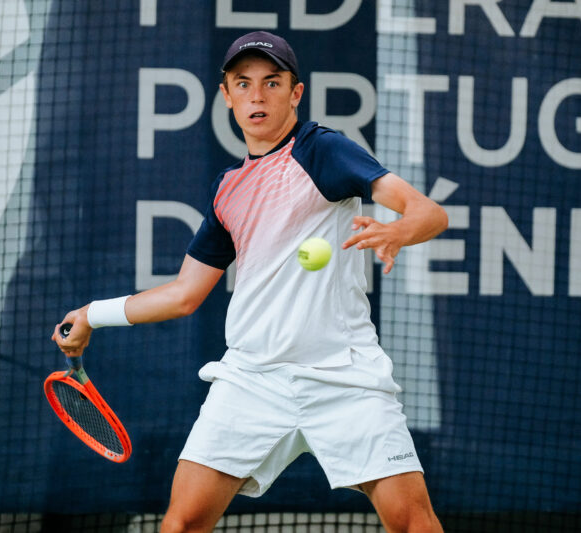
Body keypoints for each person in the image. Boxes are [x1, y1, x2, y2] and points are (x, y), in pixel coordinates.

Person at [52, 31, 447, 533]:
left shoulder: (323, 150)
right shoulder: (228, 191)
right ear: (227, 96)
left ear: (295, 93)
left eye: (271, 82)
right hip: (252, 379)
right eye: (243, 84)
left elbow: (429, 213)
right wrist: (92, 314)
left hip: (344, 376)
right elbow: (184, 295)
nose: (257, 95)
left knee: (413, 523)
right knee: (181, 524)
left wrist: (397, 231)